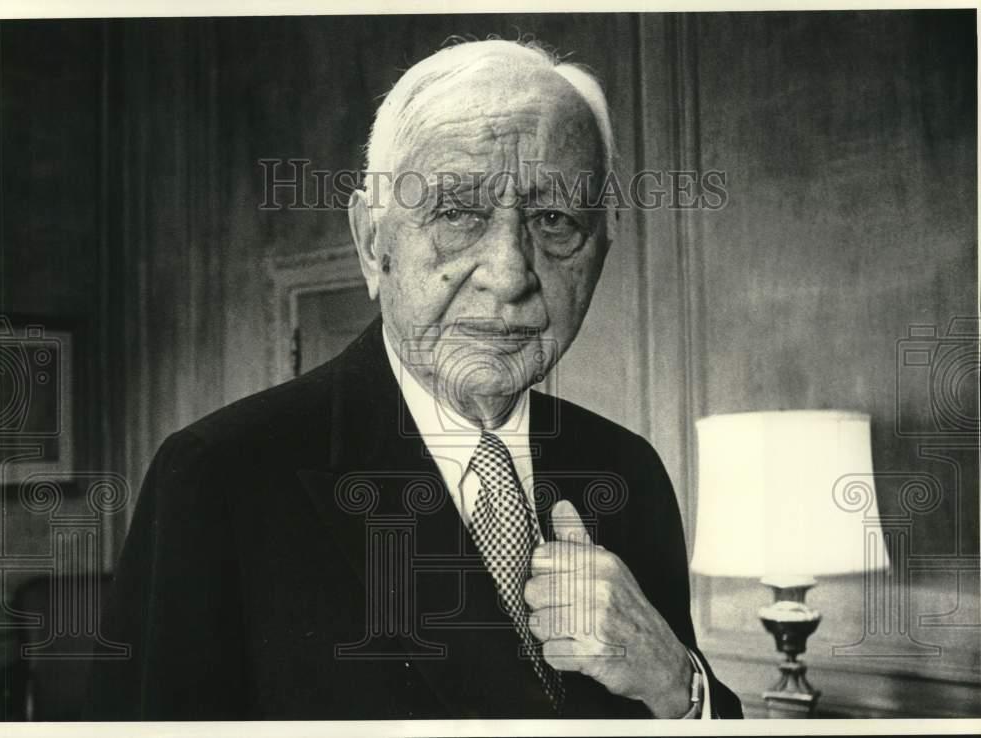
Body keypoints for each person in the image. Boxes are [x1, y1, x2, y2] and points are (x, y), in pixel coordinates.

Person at [85, 38, 742, 720]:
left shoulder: (628, 471)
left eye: (554, 221)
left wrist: (675, 683)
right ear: (374, 244)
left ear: (599, 254)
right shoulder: (218, 477)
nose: (510, 274)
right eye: (457, 214)